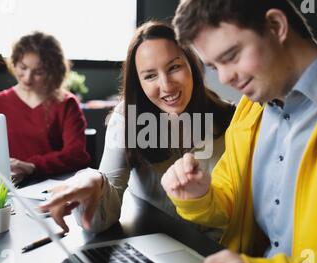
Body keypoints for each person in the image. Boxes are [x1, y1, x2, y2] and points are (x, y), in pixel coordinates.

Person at [161, 0, 317, 263]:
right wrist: (199, 195)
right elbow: (234, 201)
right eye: (213, 66)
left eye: (230, 56)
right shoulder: (251, 108)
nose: (224, 78)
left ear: (276, 26)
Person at [39, 21, 235, 242]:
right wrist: (92, 179)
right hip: (161, 247)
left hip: (222, 251)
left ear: (192, 64)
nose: (167, 86)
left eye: (174, 67)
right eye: (150, 76)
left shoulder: (231, 117)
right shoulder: (126, 120)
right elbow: (98, 221)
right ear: (138, 82)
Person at [0, 32, 90, 183]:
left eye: (39, 72)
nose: (28, 77)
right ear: (14, 63)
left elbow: (76, 155)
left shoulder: (67, 103)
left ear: (52, 72)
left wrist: (31, 166)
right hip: (4, 184)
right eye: (22, 67)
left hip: (52, 186)